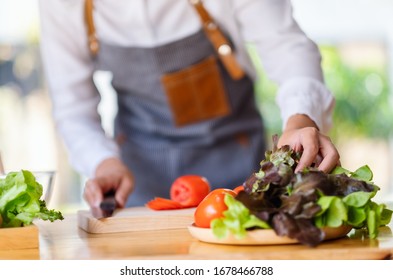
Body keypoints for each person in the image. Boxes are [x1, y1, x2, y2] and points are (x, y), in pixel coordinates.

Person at [38, 0, 339, 210]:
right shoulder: (64, 5)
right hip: (138, 177)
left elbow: (288, 49)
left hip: (237, 167)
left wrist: (301, 119)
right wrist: (103, 162)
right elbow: (72, 108)